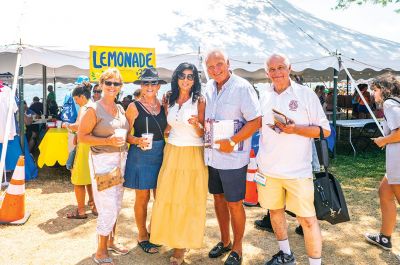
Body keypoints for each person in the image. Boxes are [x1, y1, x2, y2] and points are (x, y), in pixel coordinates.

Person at [257, 53, 330, 265]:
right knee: (275, 212)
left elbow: (324, 131)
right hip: (268, 169)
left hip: (298, 171)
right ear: (267, 73)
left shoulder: (306, 95)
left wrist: (295, 129)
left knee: (307, 220)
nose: (277, 73)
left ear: (290, 68)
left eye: (281, 67)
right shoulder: (263, 96)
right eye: (272, 69)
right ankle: (285, 255)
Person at [204, 50, 261, 265]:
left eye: (219, 64)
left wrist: (233, 141)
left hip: (233, 159)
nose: (215, 70)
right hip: (212, 157)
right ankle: (225, 240)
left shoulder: (242, 87)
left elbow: (256, 121)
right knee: (218, 199)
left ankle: (237, 248)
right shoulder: (209, 87)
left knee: (235, 203)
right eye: (210, 67)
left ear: (228, 63)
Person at [150, 63, 208, 265]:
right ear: (177, 77)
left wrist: (197, 124)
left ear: (195, 80)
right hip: (172, 151)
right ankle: (171, 236)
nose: (186, 79)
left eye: (190, 77)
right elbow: (168, 125)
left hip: (192, 153)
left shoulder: (199, 100)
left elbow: (203, 132)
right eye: (182, 76)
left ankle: (181, 246)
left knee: (187, 199)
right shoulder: (169, 98)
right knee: (169, 197)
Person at [78, 68, 130, 265]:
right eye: (108, 83)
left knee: (116, 204)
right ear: (100, 85)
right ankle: (100, 252)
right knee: (107, 206)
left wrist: (136, 140)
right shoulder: (93, 109)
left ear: (120, 87)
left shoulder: (120, 109)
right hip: (103, 162)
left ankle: (111, 242)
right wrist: (108, 141)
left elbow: (125, 133)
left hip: (120, 160)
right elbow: (82, 137)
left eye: (116, 83)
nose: (112, 87)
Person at [124, 68, 167, 254]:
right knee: (143, 197)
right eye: (145, 83)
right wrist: (136, 140)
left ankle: (154, 230)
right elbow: (124, 135)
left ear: (158, 86)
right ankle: (142, 235)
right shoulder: (133, 107)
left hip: (161, 153)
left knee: (161, 197)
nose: (149, 86)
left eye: (152, 83)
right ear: (141, 86)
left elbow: (167, 129)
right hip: (140, 155)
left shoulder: (163, 105)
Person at [364, 74, 400, 251]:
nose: (373, 94)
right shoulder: (396, 102)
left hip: (399, 163)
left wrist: (382, 141)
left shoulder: (389, 104)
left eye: (375, 90)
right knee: (384, 192)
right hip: (395, 163)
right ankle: (385, 237)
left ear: (385, 90)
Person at [63, 82, 97, 219]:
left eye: (76, 99)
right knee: (90, 179)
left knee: (78, 180)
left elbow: (78, 126)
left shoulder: (85, 108)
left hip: (84, 147)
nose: (76, 102)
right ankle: (94, 206)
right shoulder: (95, 105)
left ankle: (81, 210)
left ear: (82, 96)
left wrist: (68, 125)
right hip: (93, 146)